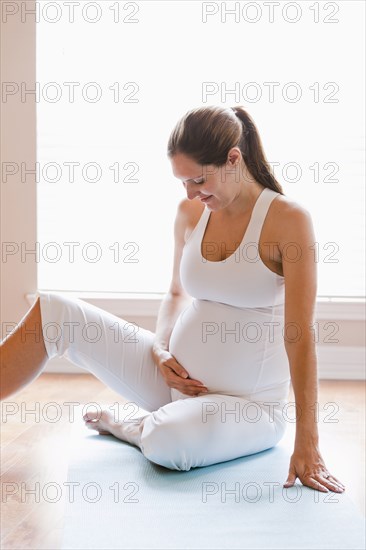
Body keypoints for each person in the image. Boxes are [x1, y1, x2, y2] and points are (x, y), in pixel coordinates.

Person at [0, 105, 345, 494]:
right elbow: (176, 294)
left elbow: (300, 336)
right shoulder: (190, 212)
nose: (191, 193)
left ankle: (133, 427)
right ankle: (160, 416)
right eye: (183, 182)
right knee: (54, 311)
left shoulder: (288, 220)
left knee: (168, 442)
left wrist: (308, 442)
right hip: (173, 381)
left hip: (246, 409)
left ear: (234, 158)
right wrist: (161, 352)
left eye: (198, 179)